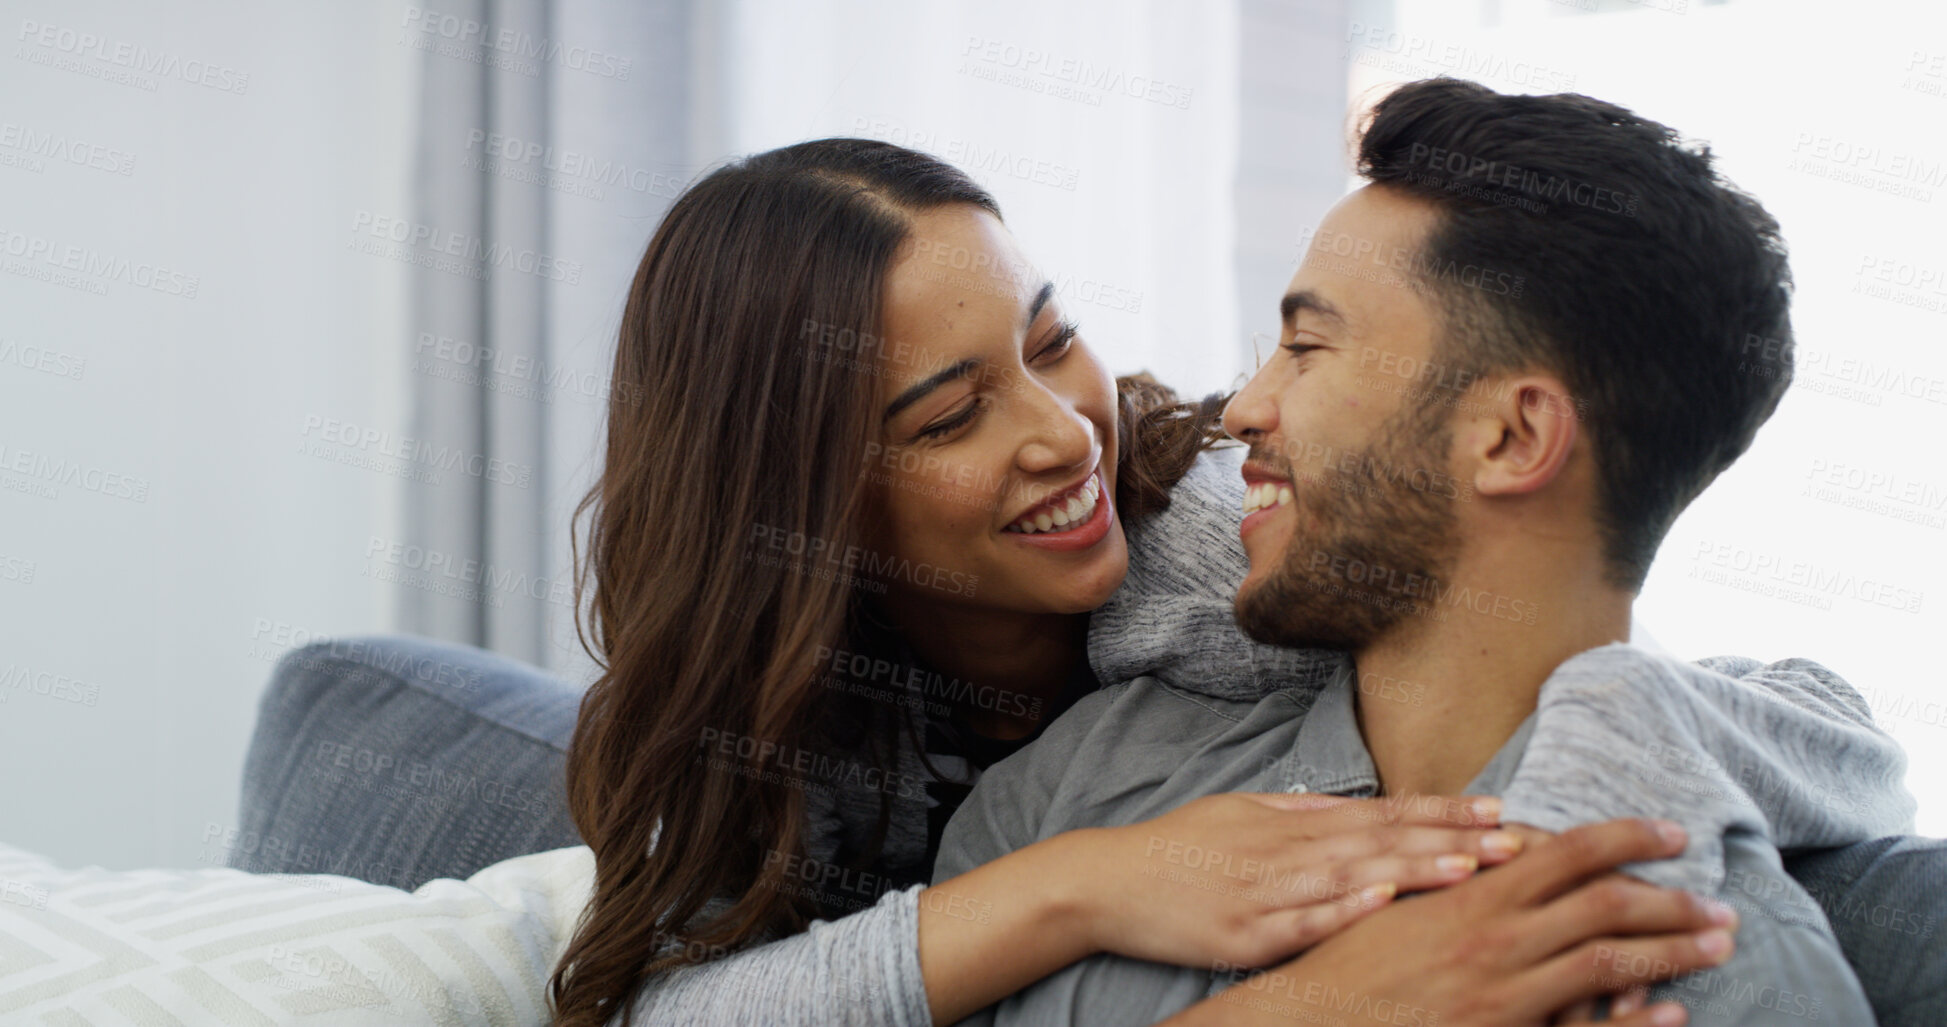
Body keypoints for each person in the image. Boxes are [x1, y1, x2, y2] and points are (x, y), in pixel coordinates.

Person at [547, 134, 1910, 1027]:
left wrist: (1616, 718)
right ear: (805, 499)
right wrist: (1096, 894)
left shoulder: (1211, 539)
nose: (1064, 430)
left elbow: (1548, 633)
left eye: (1055, 338)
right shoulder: (1010, 788)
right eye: (946, 416)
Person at [933, 79, 1909, 1026]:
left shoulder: (1713, 977)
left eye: (1308, 348)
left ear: (1513, 439)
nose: (1242, 409)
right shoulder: (1072, 793)